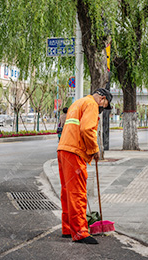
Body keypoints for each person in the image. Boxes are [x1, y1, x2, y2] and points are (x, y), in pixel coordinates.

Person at [57, 88, 112, 244]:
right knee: (78, 193)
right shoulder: (91, 104)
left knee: (67, 192)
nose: (102, 110)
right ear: (102, 99)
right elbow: (87, 129)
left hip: (63, 150)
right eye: (105, 105)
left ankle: (68, 228)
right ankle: (80, 232)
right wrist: (94, 150)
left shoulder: (78, 102)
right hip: (75, 153)